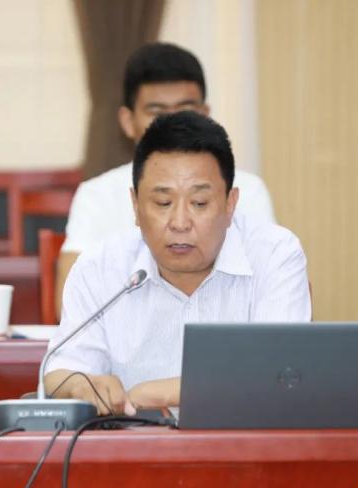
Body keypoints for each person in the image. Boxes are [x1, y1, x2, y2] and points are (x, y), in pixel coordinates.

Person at [44, 111, 311, 415]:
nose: (180, 222)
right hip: (134, 443)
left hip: (245, 442)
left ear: (230, 204)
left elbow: (281, 372)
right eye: (163, 203)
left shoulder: (274, 255)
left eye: (199, 203)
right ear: (135, 205)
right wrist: (80, 385)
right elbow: (60, 371)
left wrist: (151, 394)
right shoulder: (100, 269)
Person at [56, 43, 276, 314]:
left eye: (185, 109)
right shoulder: (97, 195)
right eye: (157, 112)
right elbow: (69, 305)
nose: (173, 123)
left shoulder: (248, 190)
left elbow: (272, 289)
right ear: (128, 121)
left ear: (205, 114)